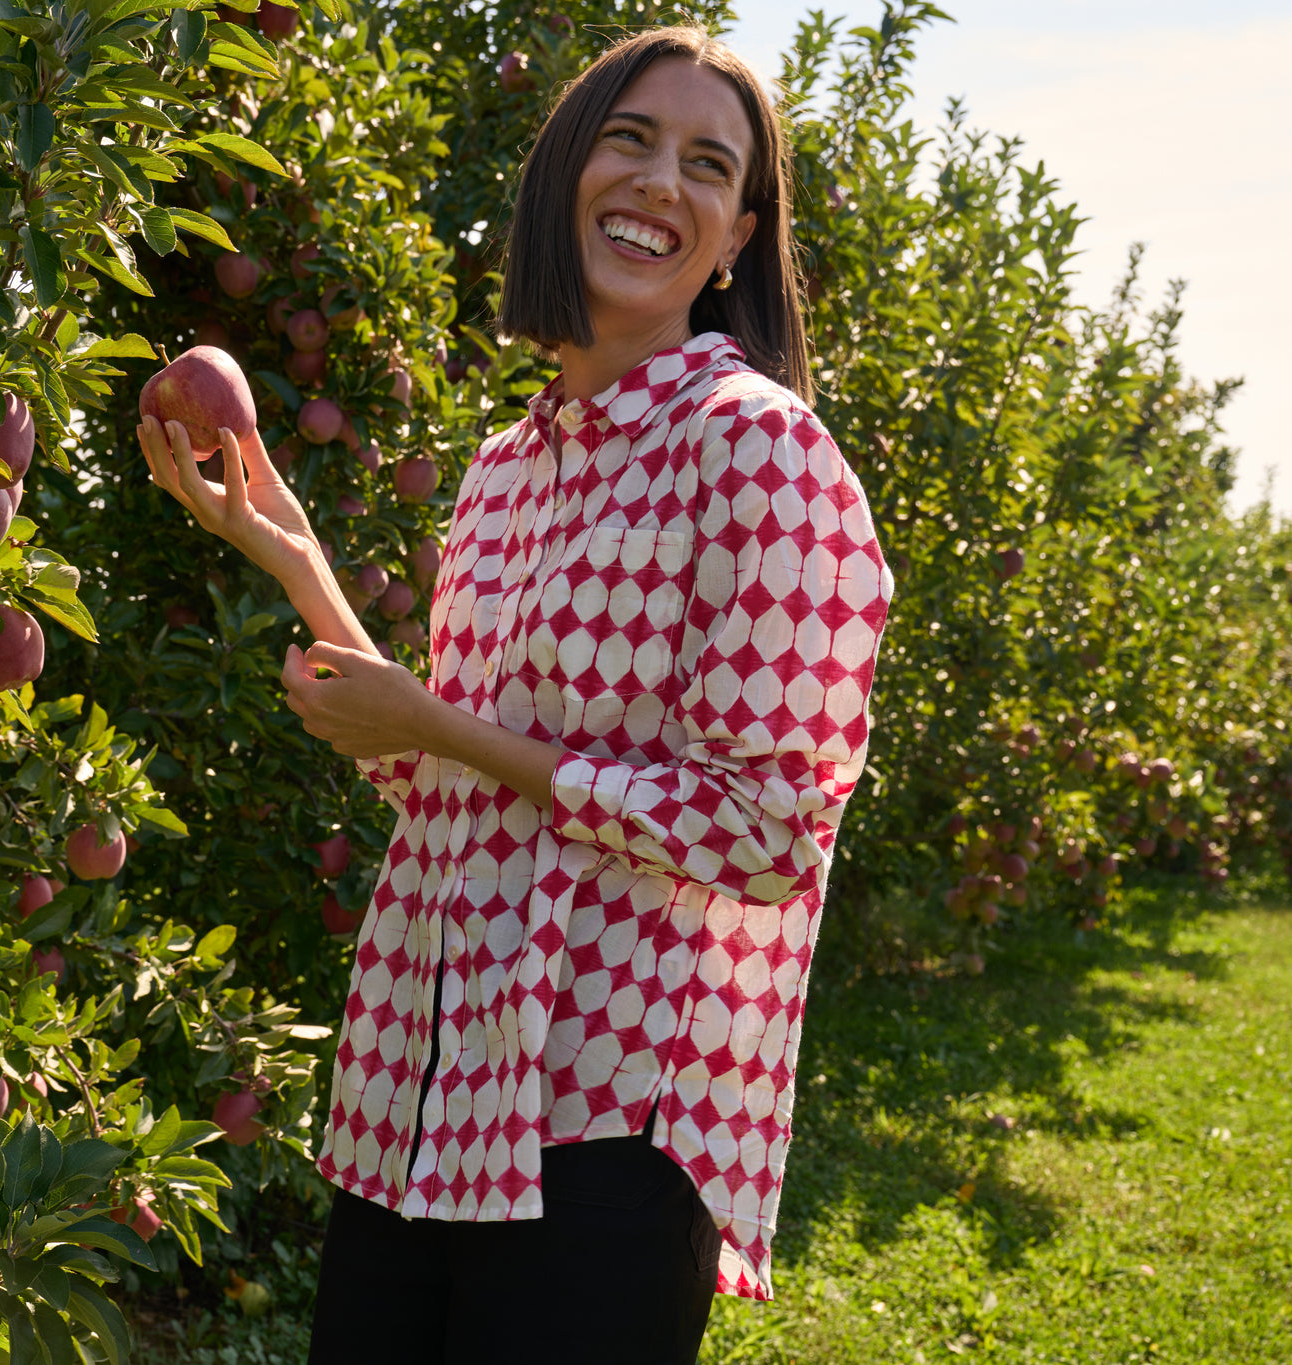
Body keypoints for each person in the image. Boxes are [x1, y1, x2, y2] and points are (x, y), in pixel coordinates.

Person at [139, 23, 892, 1365]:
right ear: (563, 176)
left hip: (610, 1114)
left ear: (733, 238)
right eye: (629, 139)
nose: (661, 181)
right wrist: (290, 549)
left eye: (705, 165)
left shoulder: (762, 456)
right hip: (427, 1081)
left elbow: (770, 829)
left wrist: (434, 726)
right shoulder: (503, 470)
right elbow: (451, 783)